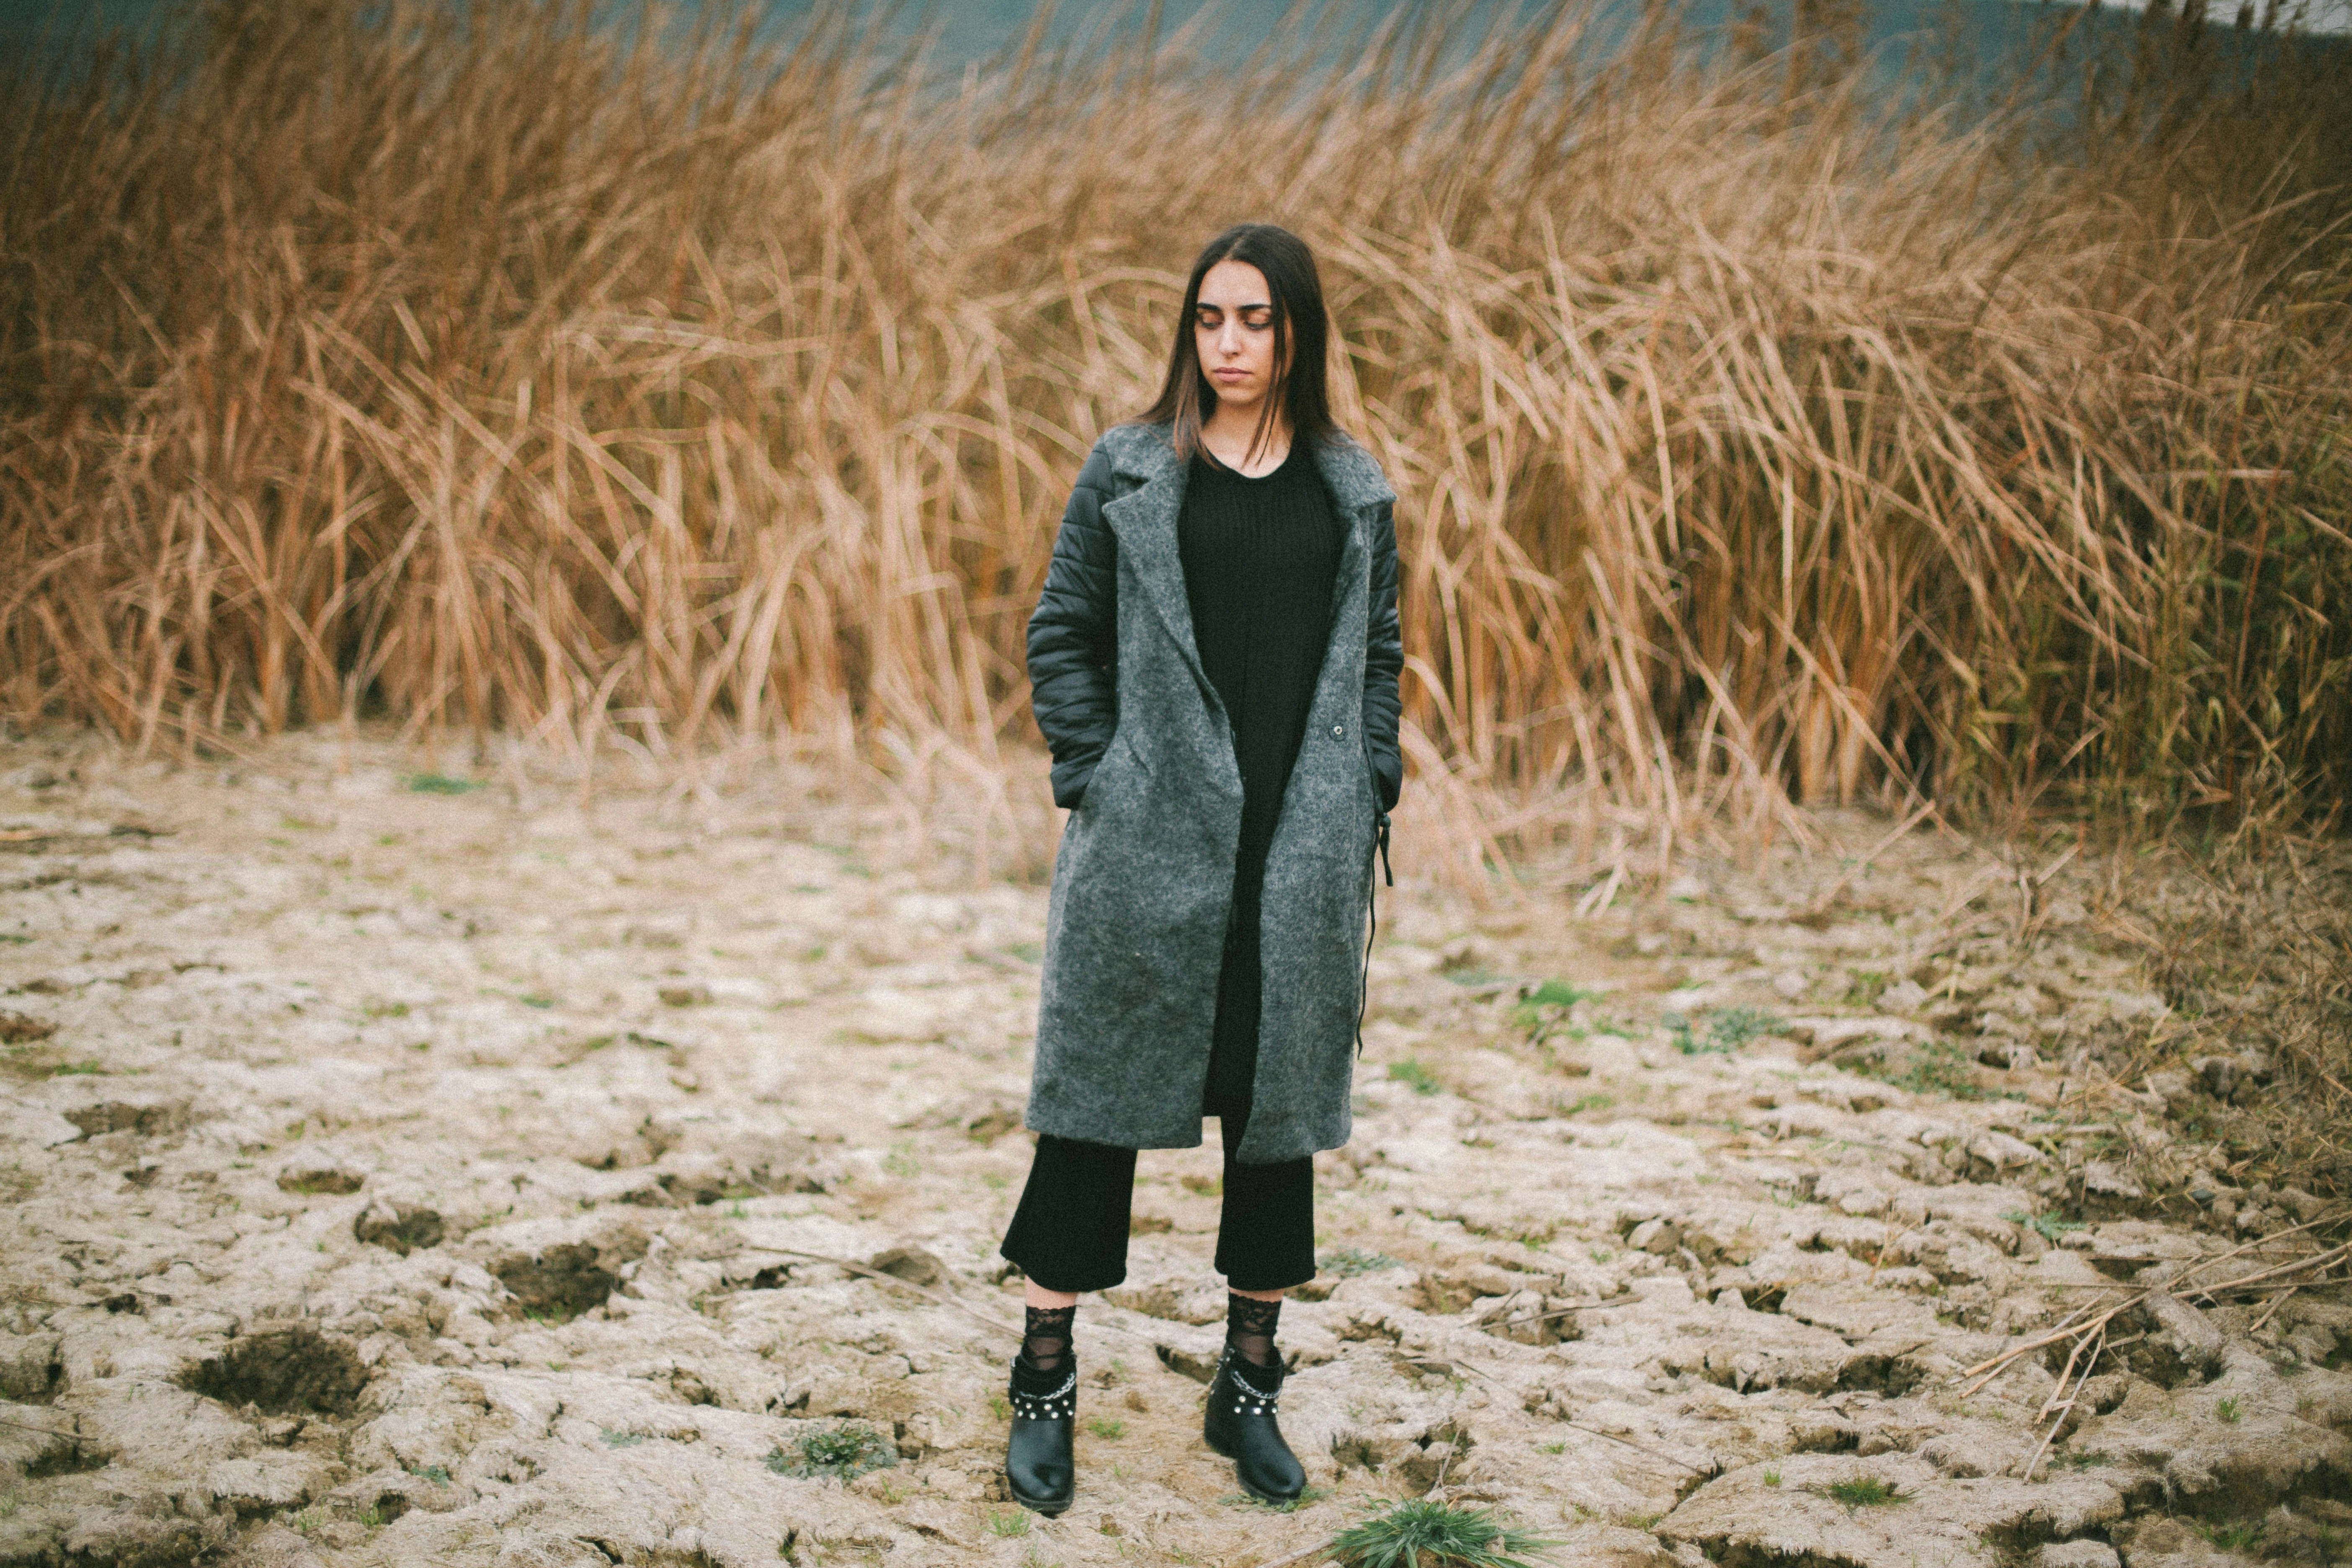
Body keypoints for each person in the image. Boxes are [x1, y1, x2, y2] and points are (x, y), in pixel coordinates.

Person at [999, 222, 1404, 1514]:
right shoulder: (1130, 468)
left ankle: (1248, 1393)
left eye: (1256, 322)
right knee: (1092, 1112)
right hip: (1151, 847)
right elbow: (1061, 630)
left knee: (1273, 1126)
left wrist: (1368, 786)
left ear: (1298, 334)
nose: (1229, 345)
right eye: (1210, 321)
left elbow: (1380, 657)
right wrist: (1096, 775)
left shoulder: (1352, 487)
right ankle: (1045, 1387)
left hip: (1299, 853)